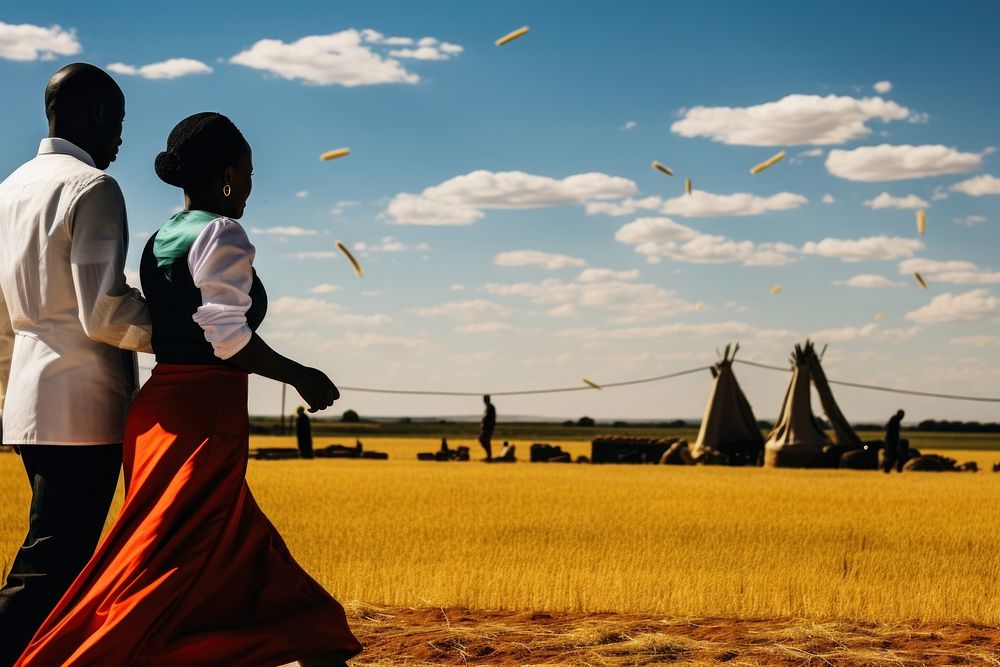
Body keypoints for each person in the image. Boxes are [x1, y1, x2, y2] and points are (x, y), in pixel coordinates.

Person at [15, 113, 361, 666]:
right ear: (227, 175)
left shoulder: (161, 238)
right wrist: (301, 375)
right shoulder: (222, 232)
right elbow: (227, 338)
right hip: (206, 411)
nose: (250, 184)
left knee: (228, 539)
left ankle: (313, 636)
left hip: (158, 410)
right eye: (247, 172)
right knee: (166, 554)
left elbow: (172, 322)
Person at [0, 63, 152, 665]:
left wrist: (8, 401)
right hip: (83, 408)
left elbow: (2, 321)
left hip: (29, 407)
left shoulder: (8, 189)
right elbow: (105, 312)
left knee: (56, 559)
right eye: (117, 123)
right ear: (94, 115)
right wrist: (193, 327)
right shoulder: (93, 188)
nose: (119, 140)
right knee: (51, 568)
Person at [882, 409, 905, 474]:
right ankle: (896, 471)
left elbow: (886, 428)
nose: (903, 417)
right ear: (899, 414)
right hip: (892, 443)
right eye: (902, 415)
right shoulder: (896, 420)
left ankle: (887, 471)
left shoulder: (893, 419)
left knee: (893, 458)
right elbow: (894, 433)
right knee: (896, 457)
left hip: (890, 442)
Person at [479, 394, 496, 461]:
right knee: (484, 440)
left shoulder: (490, 407)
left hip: (488, 428)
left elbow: (489, 419)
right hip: (487, 428)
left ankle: (489, 456)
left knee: (485, 440)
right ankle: (489, 456)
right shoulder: (488, 407)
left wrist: (485, 426)